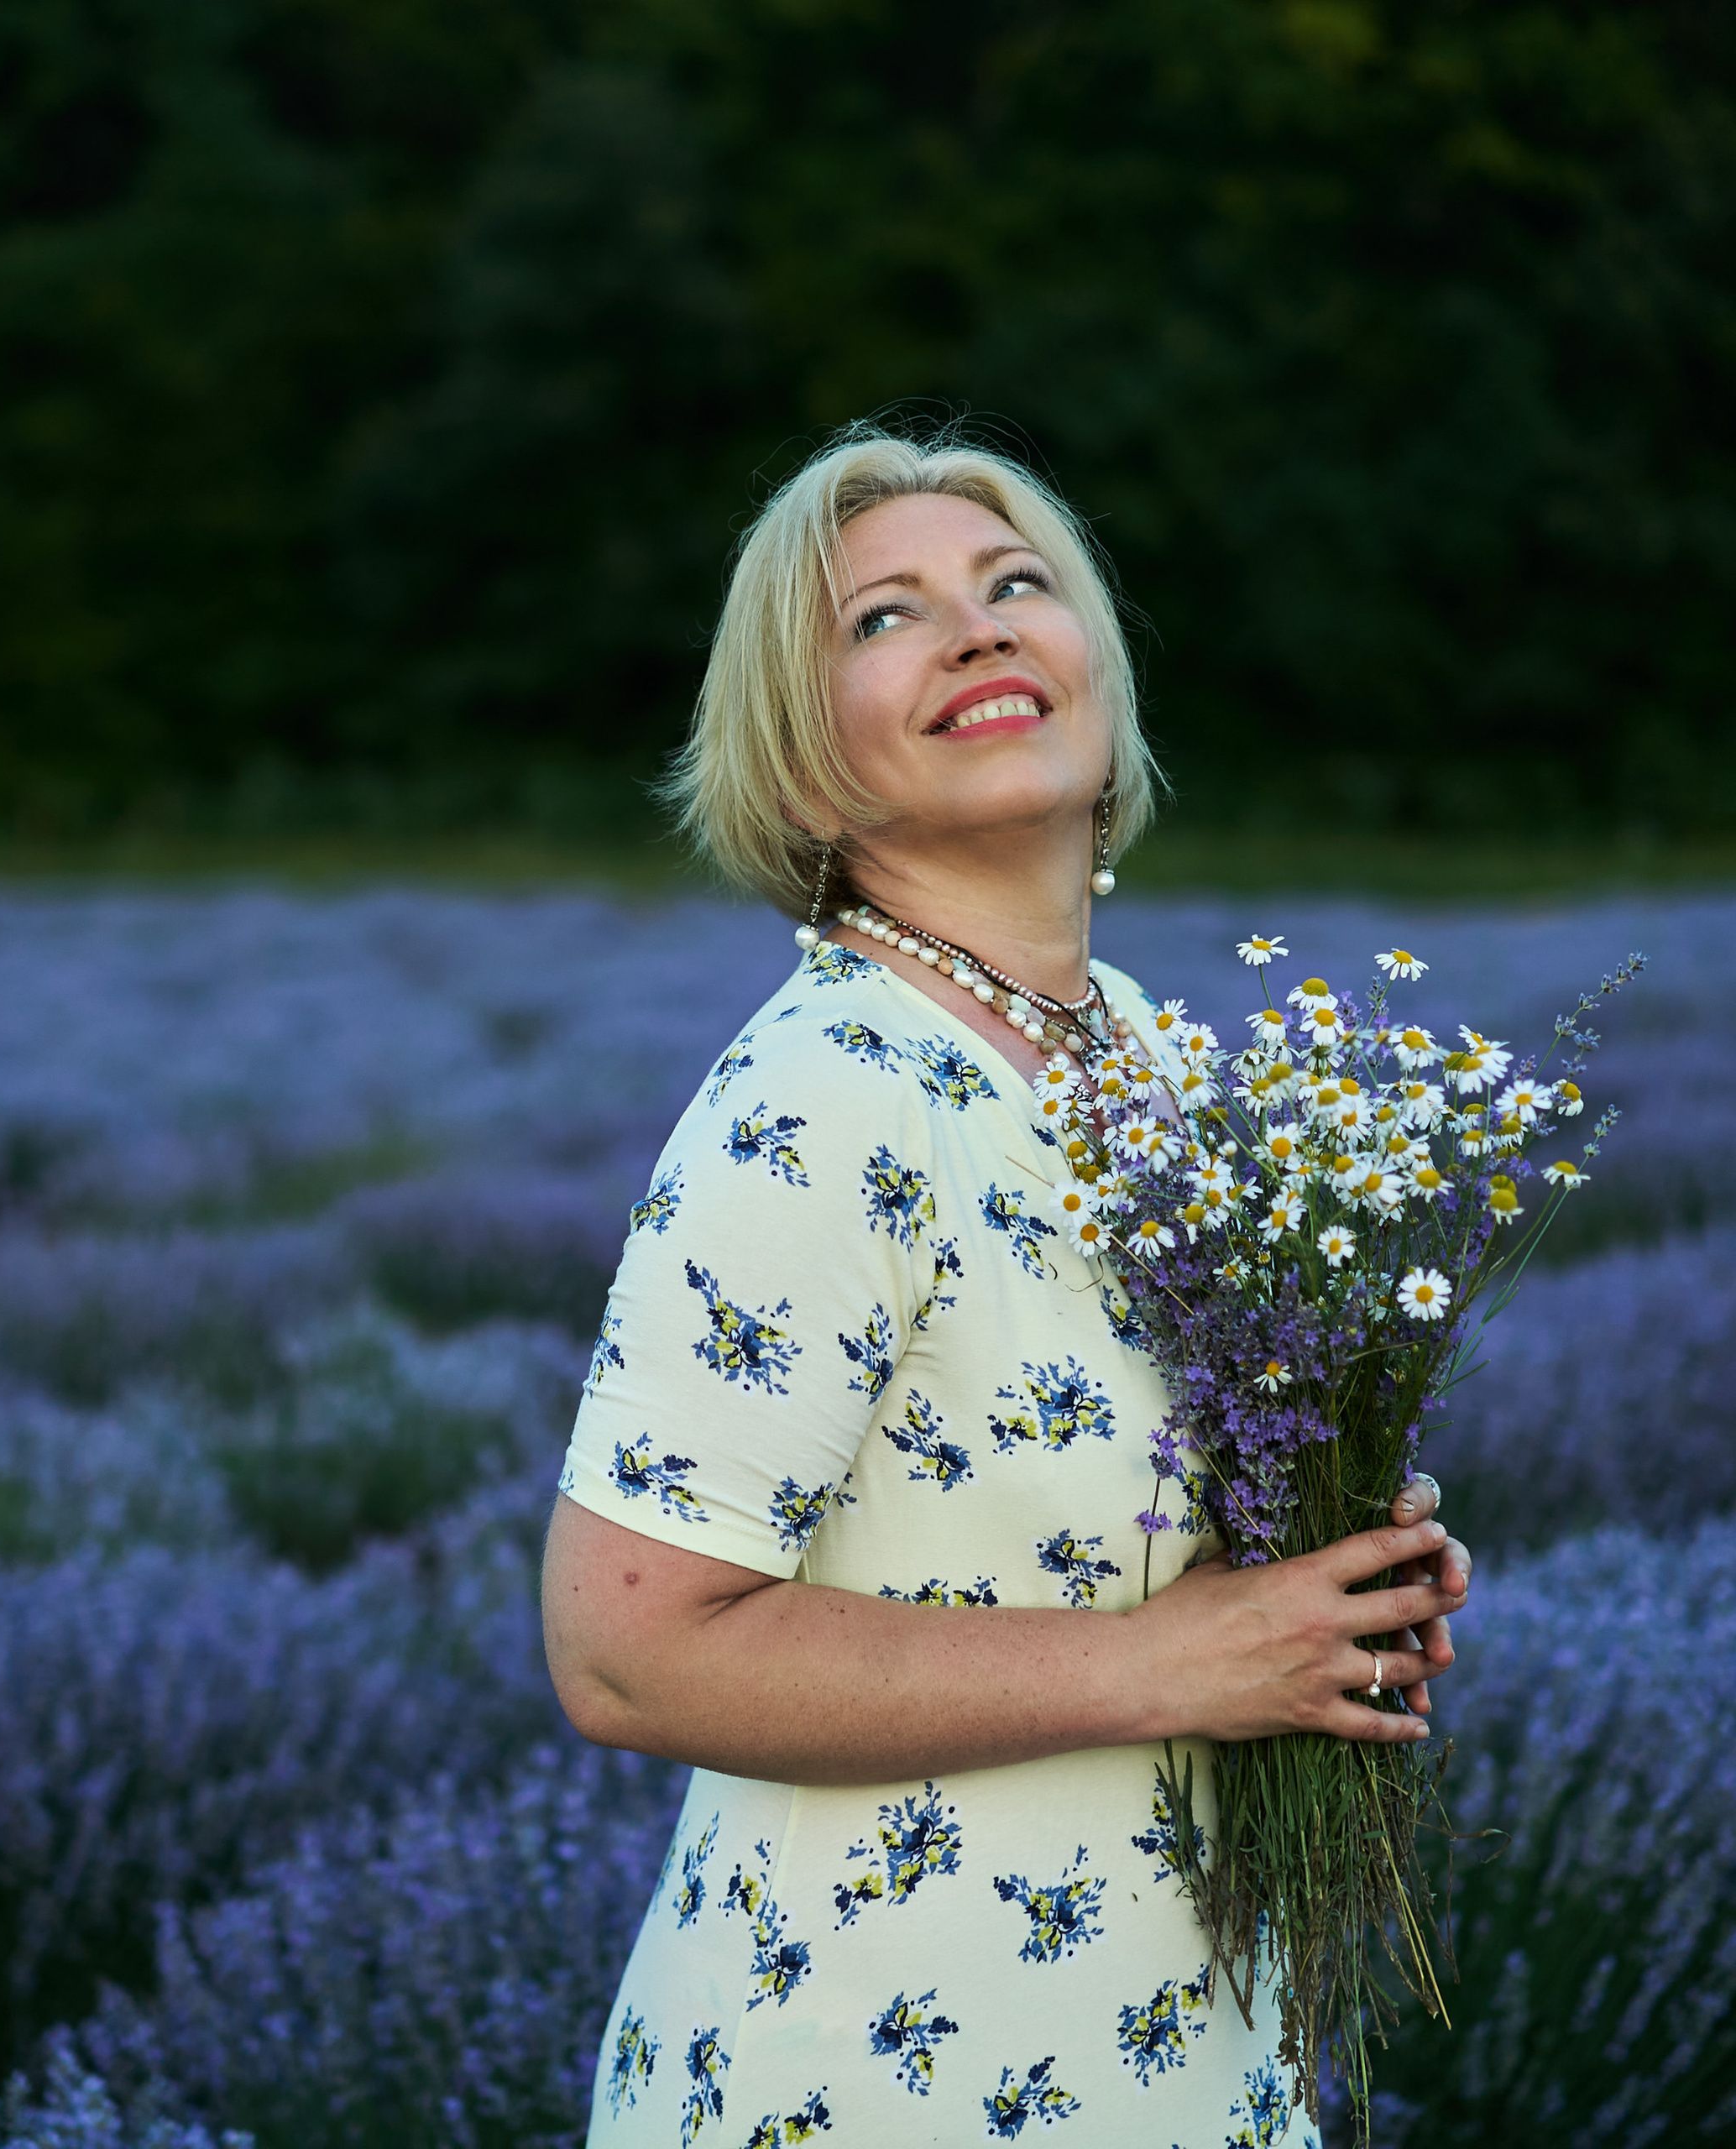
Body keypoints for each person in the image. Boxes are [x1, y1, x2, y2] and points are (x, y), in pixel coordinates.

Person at [539, 426, 1473, 2148]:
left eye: (1015, 583)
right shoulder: (825, 1100)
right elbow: (626, 1657)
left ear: (1090, 667)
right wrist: (1165, 1663)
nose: (977, 628)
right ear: (801, 765)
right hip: (889, 2065)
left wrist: (1331, 1562)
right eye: (884, 616)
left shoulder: (1148, 1050)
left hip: (1183, 2040)